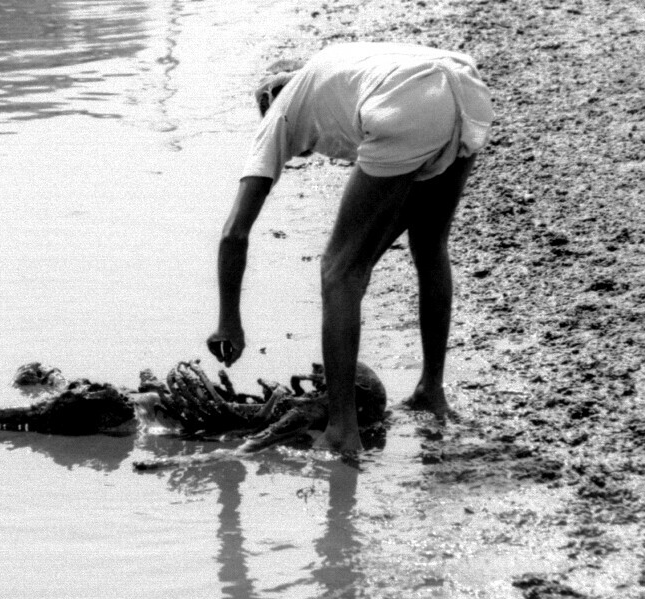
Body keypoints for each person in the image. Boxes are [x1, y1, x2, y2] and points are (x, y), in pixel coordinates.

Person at [206, 42, 494, 454]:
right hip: (467, 92)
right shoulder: (338, 68)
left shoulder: (281, 107)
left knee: (339, 271)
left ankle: (342, 430)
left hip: (405, 102)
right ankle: (432, 391)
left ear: (269, 97)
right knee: (429, 243)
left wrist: (228, 321)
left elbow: (234, 231)